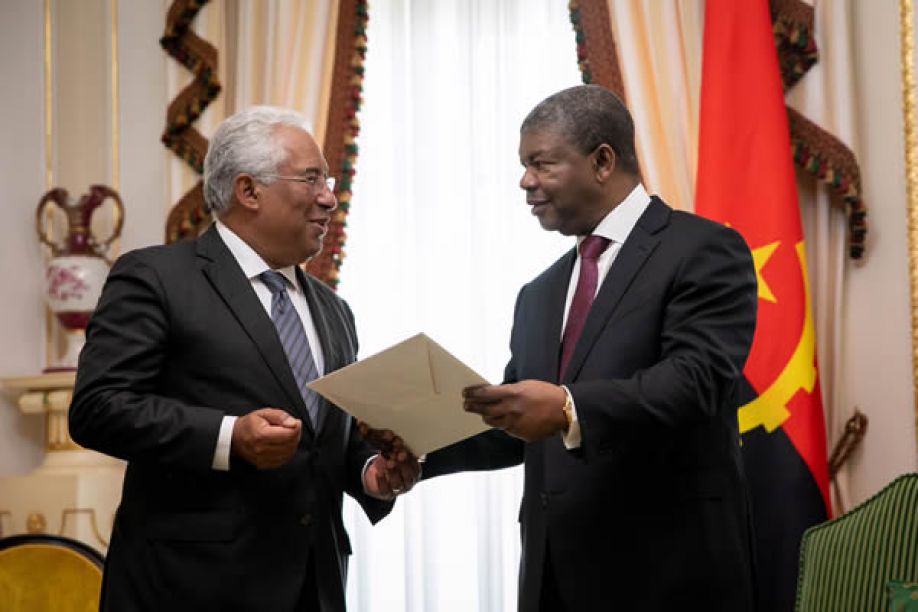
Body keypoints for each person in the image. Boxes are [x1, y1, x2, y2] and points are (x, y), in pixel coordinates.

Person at [421, 85, 759, 610]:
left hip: (668, 575)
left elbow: (696, 381)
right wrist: (417, 449)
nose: (525, 181)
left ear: (603, 161)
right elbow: (520, 424)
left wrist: (567, 407)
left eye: (541, 164)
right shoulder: (537, 294)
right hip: (554, 580)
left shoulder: (704, 249)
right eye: (523, 165)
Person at [69, 106, 419, 612]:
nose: (329, 197)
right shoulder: (155, 278)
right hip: (189, 587)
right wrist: (230, 437)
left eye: (328, 181)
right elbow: (98, 408)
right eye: (312, 179)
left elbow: (328, 439)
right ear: (249, 191)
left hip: (315, 587)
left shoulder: (334, 310)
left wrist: (371, 472)